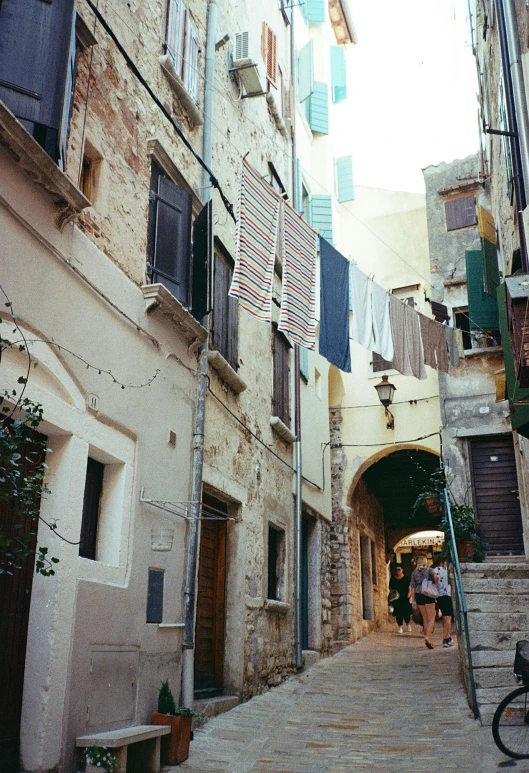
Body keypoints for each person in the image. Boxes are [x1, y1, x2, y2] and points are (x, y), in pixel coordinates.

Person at [410, 555, 439, 649]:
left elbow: (412, 587)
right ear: (426, 562)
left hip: (419, 595)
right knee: (431, 618)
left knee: (425, 618)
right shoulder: (430, 570)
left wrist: (413, 600)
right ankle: (428, 637)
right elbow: (436, 578)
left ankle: (428, 638)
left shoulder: (414, 572)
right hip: (428, 594)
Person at [433, 557, 454, 647]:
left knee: (445, 616)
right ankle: (445, 638)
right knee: (447, 617)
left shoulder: (434, 570)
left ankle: (448, 636)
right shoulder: (448, 570)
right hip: (447, 594)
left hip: (438, 595)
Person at [388, 565, 412, 634]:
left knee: (406, 612)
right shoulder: (393, 578)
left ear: (402, 570)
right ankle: (400, 627)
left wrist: (409, 593)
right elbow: (390, 587)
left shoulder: (407, 578)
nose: (398, 571)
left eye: (399, 569)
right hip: (397, 598)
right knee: (398, 613)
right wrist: (392, 592)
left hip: (405, 597)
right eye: (396, 570)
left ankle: (408, 624)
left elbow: (410, 586)